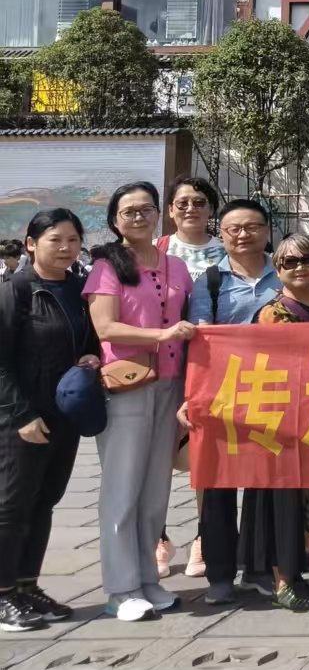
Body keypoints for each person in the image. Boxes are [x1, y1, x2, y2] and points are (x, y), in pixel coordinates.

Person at [84, 181, 193, 621]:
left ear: (159, 214)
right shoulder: (107, 267)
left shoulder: (176, 266)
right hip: (126, 386)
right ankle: (121, 588)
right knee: (122, 489)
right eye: (129, 211)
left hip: (170, 385)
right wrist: (161, 335)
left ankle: (148, 579)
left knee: (155, 490)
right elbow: (106, 328)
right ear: (115, 221)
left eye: (147, 209)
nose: (139, 217)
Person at [0, 209, 101, 631]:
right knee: (12, 504)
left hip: (63, 415)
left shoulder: (78, 289)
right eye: (55, 239)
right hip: (21, 417)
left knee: (45, 500)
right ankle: (4, 594)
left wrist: (90, 355)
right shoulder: (16, 291)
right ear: (31, 244)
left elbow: (90, 338)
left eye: (72, 240)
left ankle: (27, 585)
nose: (65, 248)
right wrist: (21, 414)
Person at [185, 199, 282, 605]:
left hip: (275, 394)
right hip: (221, 394)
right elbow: (200, 341)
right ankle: (221, 574)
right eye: (234, 228)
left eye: (252, 226)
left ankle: (259, 568)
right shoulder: (209, 281)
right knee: (218, 487)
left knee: (266, 487)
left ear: (266, 231)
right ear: (221, 235)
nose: (243, 234)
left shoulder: (284, 274)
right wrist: (192, 397)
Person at [238, 234, 309, 613]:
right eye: (289, 262)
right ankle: (282, 580)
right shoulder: (271, 313)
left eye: (307, 260)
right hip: (282, 419)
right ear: (277, 268)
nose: (299, 268)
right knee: (281, 500)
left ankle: (301, 573)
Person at [153, 175, 227, 579]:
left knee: (205, 457)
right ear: (170, 210)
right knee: (157, 456)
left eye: (199, 202)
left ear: (211, 209)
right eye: (182, 202)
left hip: (213, 371)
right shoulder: (157, 250)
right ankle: (158, 536)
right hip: (163, 369)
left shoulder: (226, 249)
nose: (190, 209)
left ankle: (204, 536)